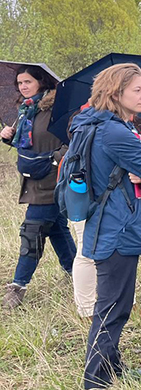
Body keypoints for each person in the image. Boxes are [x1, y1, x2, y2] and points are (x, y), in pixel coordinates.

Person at [76, 63, 141, 390]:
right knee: (113, 309)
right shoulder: (116, 133)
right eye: (138, 90)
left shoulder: (93, 124)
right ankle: (95, 387)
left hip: (104, 225)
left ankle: (113, 369)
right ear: (117, 93)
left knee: (112, 305)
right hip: (118, 229)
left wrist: (136, 145)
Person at [1, 65, 75, 309]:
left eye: (27, 81)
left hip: (54, 179)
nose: (23, 86)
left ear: (41, 82)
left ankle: (17, 287)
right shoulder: (26, 110)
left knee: (32, 229)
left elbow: (75, 140)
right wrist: (8, 138)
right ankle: (77, 273)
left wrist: (56, 160)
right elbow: (29, 145)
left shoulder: (57, 108)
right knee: (56, 229)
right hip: (33, 178)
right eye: (20, 83)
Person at [68, 104, 141, 319]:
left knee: (125, 250)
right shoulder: (86, 119)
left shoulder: (134, 121)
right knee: (86, 250)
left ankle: (127, 303)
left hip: (123, 199)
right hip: (88, 195)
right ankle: (86, 310)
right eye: (135, 89)